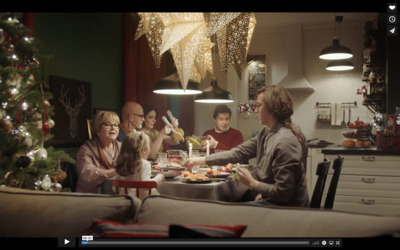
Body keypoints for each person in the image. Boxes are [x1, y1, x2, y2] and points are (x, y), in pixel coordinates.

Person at [184, 85, 309, 207]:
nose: (255, 110)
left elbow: (284, 194)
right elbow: (238, 152)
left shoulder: (285, 142)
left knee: (220, 209)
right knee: (221, 202)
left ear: (272, 108)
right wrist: (200, 160)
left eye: (259, 105)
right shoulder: (266, 133)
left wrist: (253, 183)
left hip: (286, 210)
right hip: (272, 201)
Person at [76, 111, 121, 193]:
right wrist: (115, 171)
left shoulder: (122, 147)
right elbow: (88, 174)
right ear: (97, 129)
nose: (113, 128)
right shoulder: (86, 149)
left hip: (117, 193)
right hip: (92, 196)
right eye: (107, 124)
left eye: (115, 125)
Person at [114, 131, 164, 199]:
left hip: (123, 201)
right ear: (143, 149)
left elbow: (114, 187)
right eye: (149, 145)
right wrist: (159, 178)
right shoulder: (145, 164)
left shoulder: (121, 163)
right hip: (141, 202)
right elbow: (146, 185)